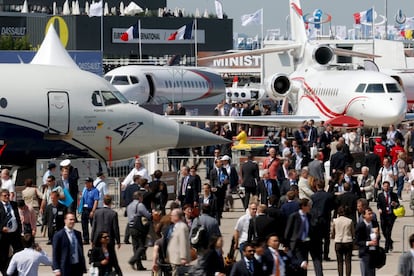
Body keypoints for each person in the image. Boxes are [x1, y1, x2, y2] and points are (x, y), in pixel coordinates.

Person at [91, 194, 122, 275]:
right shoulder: (113, 213)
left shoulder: (97, 212)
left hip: (98, 239)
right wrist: (118, 241)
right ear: (111, 202)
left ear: (103, 202)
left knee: (99, 259)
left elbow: (94, 227)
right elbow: (115, 228)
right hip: (109, 240)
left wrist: (92, 240)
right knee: (113, 260)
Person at [284, 198, 312, 276]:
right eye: (308, 206)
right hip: (296, 243)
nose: (310, 207)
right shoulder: (294, 216)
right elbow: (288, 231)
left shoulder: (309, 216)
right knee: (298, 264)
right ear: (303, 206)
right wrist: (286, 245)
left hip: (305, 243)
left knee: (304, 264)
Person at [310, 179, 335, 262]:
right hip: (326, 218)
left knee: (318, 238)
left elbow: (312, 208)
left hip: (317, 219)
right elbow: (332, 206)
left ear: (316, 186)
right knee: (326, 238)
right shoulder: (329, 195)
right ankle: (326, 255)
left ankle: (319, 253)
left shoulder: (313, 196)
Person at [0, 189, 23, 275]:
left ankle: (18, 270)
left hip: (15, 233)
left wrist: (20, 230)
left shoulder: (13, 204)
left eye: (8, 195)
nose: (7, 197)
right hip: (4, 234)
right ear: (0, 196)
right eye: (5, 195)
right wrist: (2, 227)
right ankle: (5, 271)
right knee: (3, 255)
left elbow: (17, 217)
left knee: (19, 251)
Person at [355, 207, 380, 276]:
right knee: (366, 272)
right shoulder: (360, 226)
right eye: (369, 214)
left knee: (372, 272)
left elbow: (378, 237)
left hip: (373, 252)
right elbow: (357, 241)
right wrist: (368, 243)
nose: (371, 215)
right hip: (365, 252)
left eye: (371, 213)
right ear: (364, 215)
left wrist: (377, 235)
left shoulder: (375, 224)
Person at [166, 208, 191, 276]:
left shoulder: (181, 227)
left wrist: (183, 257)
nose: (170, 216)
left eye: (172, 215)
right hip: (175, 258)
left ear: (176, 216)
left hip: (178, 259)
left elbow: (183, 242)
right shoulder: (176, 226)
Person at [331, 206, 354, 276]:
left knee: (340, 262)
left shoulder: (335, 221)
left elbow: (333, 232)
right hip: (348, 241)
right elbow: (353, 232)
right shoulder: (350, 221)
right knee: (348, 262)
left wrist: (333, 236)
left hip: (338, 242)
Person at [377, 181, 399, 253]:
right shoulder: (380, 195)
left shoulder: (394, 195)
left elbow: (398, 204)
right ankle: (390, 241)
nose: (386, 187)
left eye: (387, 186)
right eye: (385, 186)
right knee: (383, 231)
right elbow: (378, 204)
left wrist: (395, 204)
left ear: (389, 187)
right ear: (383, 187)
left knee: (388, 232)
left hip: (391, 215)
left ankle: (386, 248)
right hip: (383, 215)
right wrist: (379, 209)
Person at [79, 177, 99, 244]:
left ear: (91, 183)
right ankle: (86, 239)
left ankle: (94, 238)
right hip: (84, 209)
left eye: (87, 183)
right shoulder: (85, 190)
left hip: (91, 209)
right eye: (85, 183)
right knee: (84, 225)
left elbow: (96, 201)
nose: (86, 184)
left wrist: (93, 211)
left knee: (93, 225)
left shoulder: (95, 190)